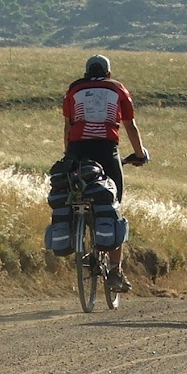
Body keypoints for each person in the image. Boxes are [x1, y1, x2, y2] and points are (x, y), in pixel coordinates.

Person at [63, 54, 149, 292]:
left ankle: (79, 230)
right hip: (106, 151)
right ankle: (114, 271)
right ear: (108, 73)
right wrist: (139, 154)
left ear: (86, 71)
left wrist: (69, 155)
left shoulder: (74, 90)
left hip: (78, 152)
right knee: (114, 208)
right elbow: (130, 125)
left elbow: (68, 126)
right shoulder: (118, 89)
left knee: (78, 194)